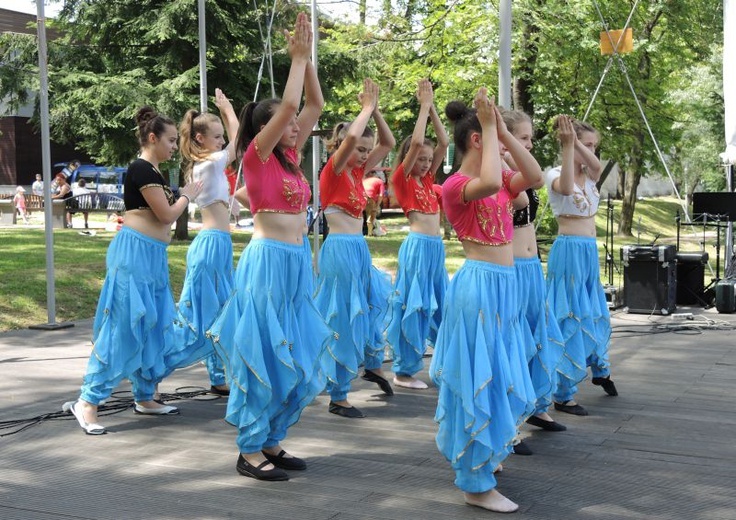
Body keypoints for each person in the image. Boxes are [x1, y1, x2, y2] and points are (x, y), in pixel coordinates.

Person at [206, 12, 330, 481]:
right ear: (267, 128)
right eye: (288, 122)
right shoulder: (257, 157)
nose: (297, 125)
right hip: (266, 263)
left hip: (296, 263)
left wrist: (309, 55)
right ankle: (248, 448)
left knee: (292, 351)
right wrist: (294, 60)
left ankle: (273, 438)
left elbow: (312, 101)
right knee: (262, 349)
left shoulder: (291, 160)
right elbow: (292, 105)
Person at [429, 89, 541, 513]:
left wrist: (504, 134)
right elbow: (493, 180)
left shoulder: (496, 183)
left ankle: (486, 461)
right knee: (480, 377)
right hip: (478, 286)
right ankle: (474, 482)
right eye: (493, 138)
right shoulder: (457, 185)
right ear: (477, 140)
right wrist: (491, 126)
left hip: (504, 286)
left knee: (498, 374)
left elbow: (531, 177)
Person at [62, 106, 203, 435]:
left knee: (152, 326)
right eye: (169, 140)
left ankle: (145, 395)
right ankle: (88, 401)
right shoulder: (141, 169)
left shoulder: (155, 171)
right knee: (124, 327)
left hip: (152, 256)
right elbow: (167, 215)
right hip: (135, 254)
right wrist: (186, 195)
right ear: (152, 138)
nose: (173, 146)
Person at [315, 78, 396, 418]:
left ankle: (373, 363)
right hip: (339, 251)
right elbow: (349, 141)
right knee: (343, 317)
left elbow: (389, 142)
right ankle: (338, 393)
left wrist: (375, 112)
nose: (363, 155)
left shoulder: (356, 172)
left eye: (366, 150)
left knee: (371, 304)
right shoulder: (333, 170)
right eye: (359, 149)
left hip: (358, 250)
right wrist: (364, 109)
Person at [161, 88, 240, 396]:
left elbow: (234, 148)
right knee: (201, 316)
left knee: (219, 312)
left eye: (221, 137)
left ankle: (219, 376)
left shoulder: (208, 165)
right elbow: (238, 145)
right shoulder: (206, 164)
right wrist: (228, 110)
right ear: (199, 139)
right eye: (216, 137)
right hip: (210, 245)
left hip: (218, 244)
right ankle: (155, 367)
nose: (221, 142)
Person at [502, 110, 567, 458]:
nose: (529, 144)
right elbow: (530, 187)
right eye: (523, 138)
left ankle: (538, 405)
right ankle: (508, 423)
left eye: (529, 139)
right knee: (515, 343)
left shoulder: (518, 170)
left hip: (530, 266)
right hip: (509, 268)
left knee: (537, 335)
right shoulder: (499, 173)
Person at [546, 116, 617, 417]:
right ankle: (563, 393)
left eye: (594, 146)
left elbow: (598, 167)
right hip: (569, 252)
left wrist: (579, 143)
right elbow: (564, 188)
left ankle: (599, 365)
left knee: (593, 311)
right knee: (570, 316)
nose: (591, 152)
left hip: (588, 253)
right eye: (587, 145)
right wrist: (569, 145)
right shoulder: (555, 173)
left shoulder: (590, 177)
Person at [385, 79, 449, 390]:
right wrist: (423, 107)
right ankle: (403, 370)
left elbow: (444, 143)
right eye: (420, 160)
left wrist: (433, 106)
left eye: (427, 160)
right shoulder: (403, 178)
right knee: (414, 305)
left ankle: (445, 359)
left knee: (441, 303)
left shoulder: (427, 181)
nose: (425, 164)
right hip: (417, 247)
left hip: (435, 249)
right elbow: (416, 144)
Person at [362, 169, 385, 236]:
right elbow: (381, 195)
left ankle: (360, 232)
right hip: (369, 197)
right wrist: (377, 206)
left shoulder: (366, 180)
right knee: (371, 215)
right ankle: (369, 233)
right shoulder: (380, 181)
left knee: (361, 215)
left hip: (360, 196)